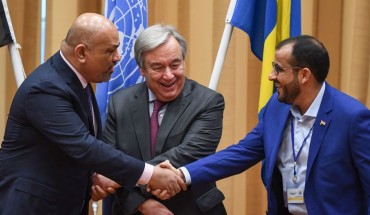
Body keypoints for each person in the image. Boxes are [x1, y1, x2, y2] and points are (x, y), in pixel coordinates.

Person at [161, 35, 370, 215]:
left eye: (279, 69)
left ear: (304, 75)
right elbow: (241, 153)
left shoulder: (352, 118)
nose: (271, 76)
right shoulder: (277, 107)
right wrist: (182, 174)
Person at [0, 13, 185, 215]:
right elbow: (84, 147)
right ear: (81, 53)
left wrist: (93, 176)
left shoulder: (79, 81)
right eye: (110, 50)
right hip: (32, 207)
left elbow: (67, 150)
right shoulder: (46, 88)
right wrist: (151, 174)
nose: (118, 57)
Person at [93, 24, 227, 215]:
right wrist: (142, 204)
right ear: (142, 69)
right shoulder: (120, 102)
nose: (169, 75)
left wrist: (119, 177)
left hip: (192, 209)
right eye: (157, 67)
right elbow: (110, 161)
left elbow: (188, 155)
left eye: (175, 64)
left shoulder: (208, 102)